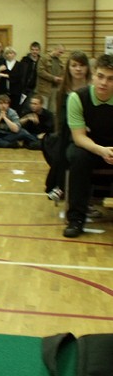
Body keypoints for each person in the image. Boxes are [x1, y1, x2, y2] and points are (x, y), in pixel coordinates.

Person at [62, 54, 113, 238]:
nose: (104, 82)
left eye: (110, 79)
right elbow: (79, 137)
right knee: (78, 158)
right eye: (100, 76)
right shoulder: (77, 98)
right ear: (93, 75)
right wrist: (102, 151)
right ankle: (76, 219)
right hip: (88, 147)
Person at [43, 51, 92, 202]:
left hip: (89, 131)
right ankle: (60, 186)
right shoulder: (62, 91)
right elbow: (61, 117)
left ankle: (63, 187)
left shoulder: (92, 88)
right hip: (68, 131)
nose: (78, 69)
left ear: (87, 68)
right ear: (68, 68)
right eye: (74, 65)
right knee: (59, 144)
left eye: (82, 65)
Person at [11, 42, 41, 113]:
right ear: (30, 50)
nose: (34, 52)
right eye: (33, 50)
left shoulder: (41, 61)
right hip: (24, 87)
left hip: (36, 87)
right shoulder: (25, 60)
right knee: (23, 105)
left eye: (36, 50)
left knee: (33, 105)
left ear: (39, 51)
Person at [37, 44, 65, 110]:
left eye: (62, 53)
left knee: (52, 110)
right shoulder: (44, 58)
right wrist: (53, 78)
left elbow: (62, 73)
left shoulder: (60, 62)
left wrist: (61, 78)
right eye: (60, 52)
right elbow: (40, 71)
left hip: (55, 89)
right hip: (44, 89)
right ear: (55, 49)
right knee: (43, 109)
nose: (61, 54)